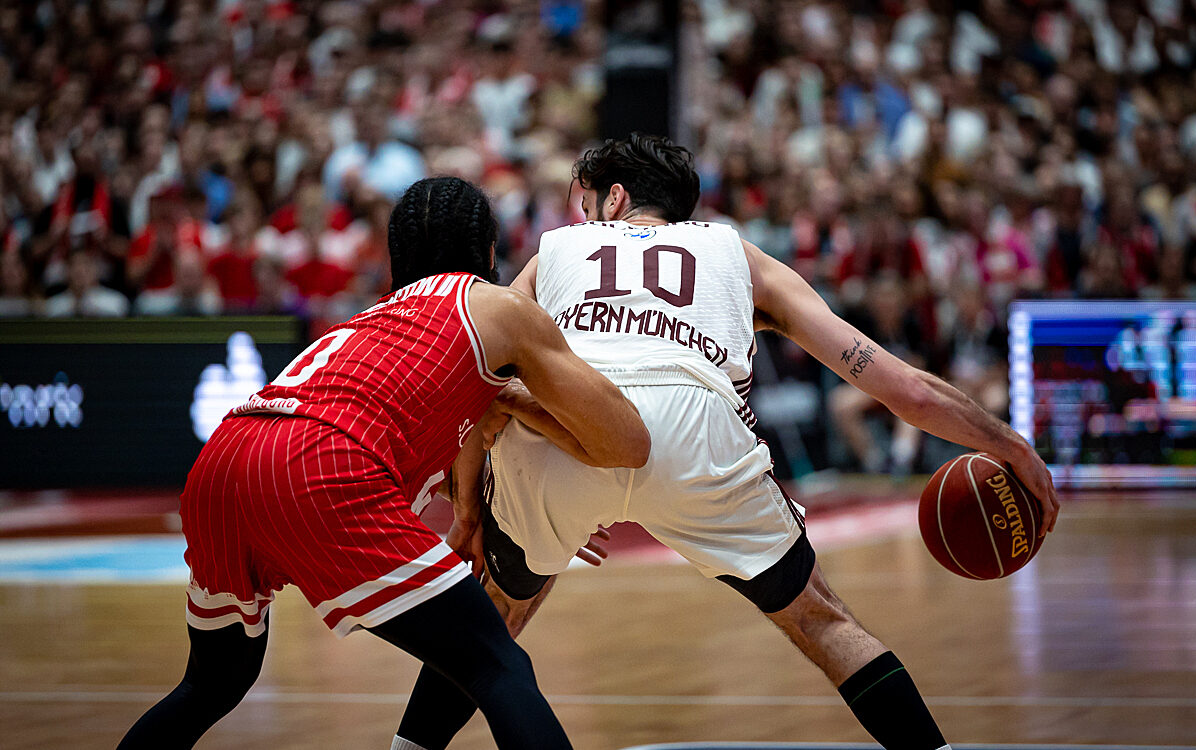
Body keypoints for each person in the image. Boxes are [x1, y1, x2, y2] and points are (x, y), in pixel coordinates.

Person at [392, 135, 1060, 750]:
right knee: (820, 620)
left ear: (613, 199)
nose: (581, 209)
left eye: (585, 197)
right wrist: (1012, 445)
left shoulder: (557, 249)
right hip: (696, 434)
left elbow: (480, 381)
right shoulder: (736, 254)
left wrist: (478, 512)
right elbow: (900, 389)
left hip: (567, 429)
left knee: (493, 618)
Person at [116, 176, 651, 750]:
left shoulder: (369, 323)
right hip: (320, 466)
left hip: (224, 461)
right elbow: (628, 443)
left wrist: (475, 499)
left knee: (211, 682)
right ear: (489, 249)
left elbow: (410, 433)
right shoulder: (498, 308)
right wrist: (545, 445)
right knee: (499, 666)